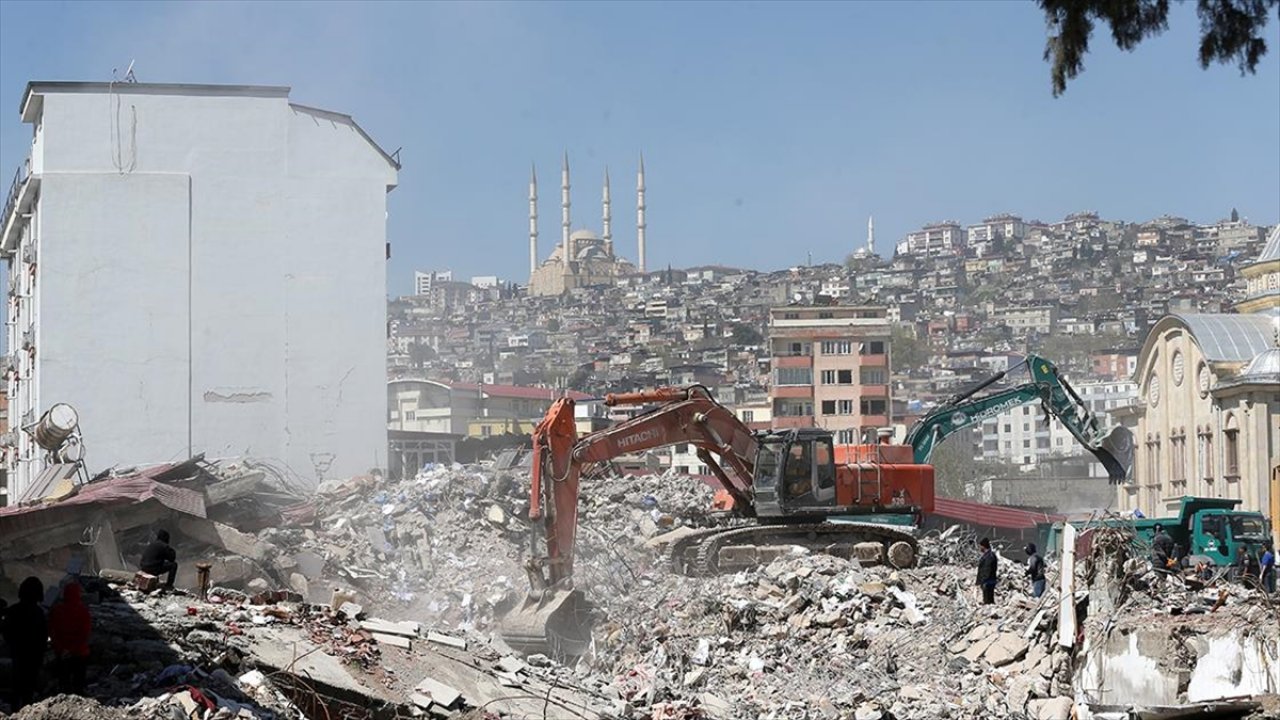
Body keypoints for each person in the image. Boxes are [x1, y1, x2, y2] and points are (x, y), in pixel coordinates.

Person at [2, 576, 49, 709]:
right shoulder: (39, 613)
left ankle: (15, 711)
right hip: (34, 656)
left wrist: (12, 645)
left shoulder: (13, 611)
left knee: (16, 685)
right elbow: (43, 636)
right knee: (29, 688)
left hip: (18, 653)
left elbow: (5, 631)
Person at [48, 582, 91, 694]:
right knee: (78, 682)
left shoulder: (57, 610)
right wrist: (73, 648)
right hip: (79, 652)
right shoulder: (83, 611)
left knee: (64, 680)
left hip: (62, 652)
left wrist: (61, 648)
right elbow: (84, 634)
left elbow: (52, 631)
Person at [977, 538, 998, 605]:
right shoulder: (991, 555)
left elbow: (987, 569)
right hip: (990, 580)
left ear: (983, 546)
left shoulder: (989, 556)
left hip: (987, 582)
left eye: (980, 546)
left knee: (988, 600)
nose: (979, 548)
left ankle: (989, 611)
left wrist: (983, 580)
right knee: (989, 599)